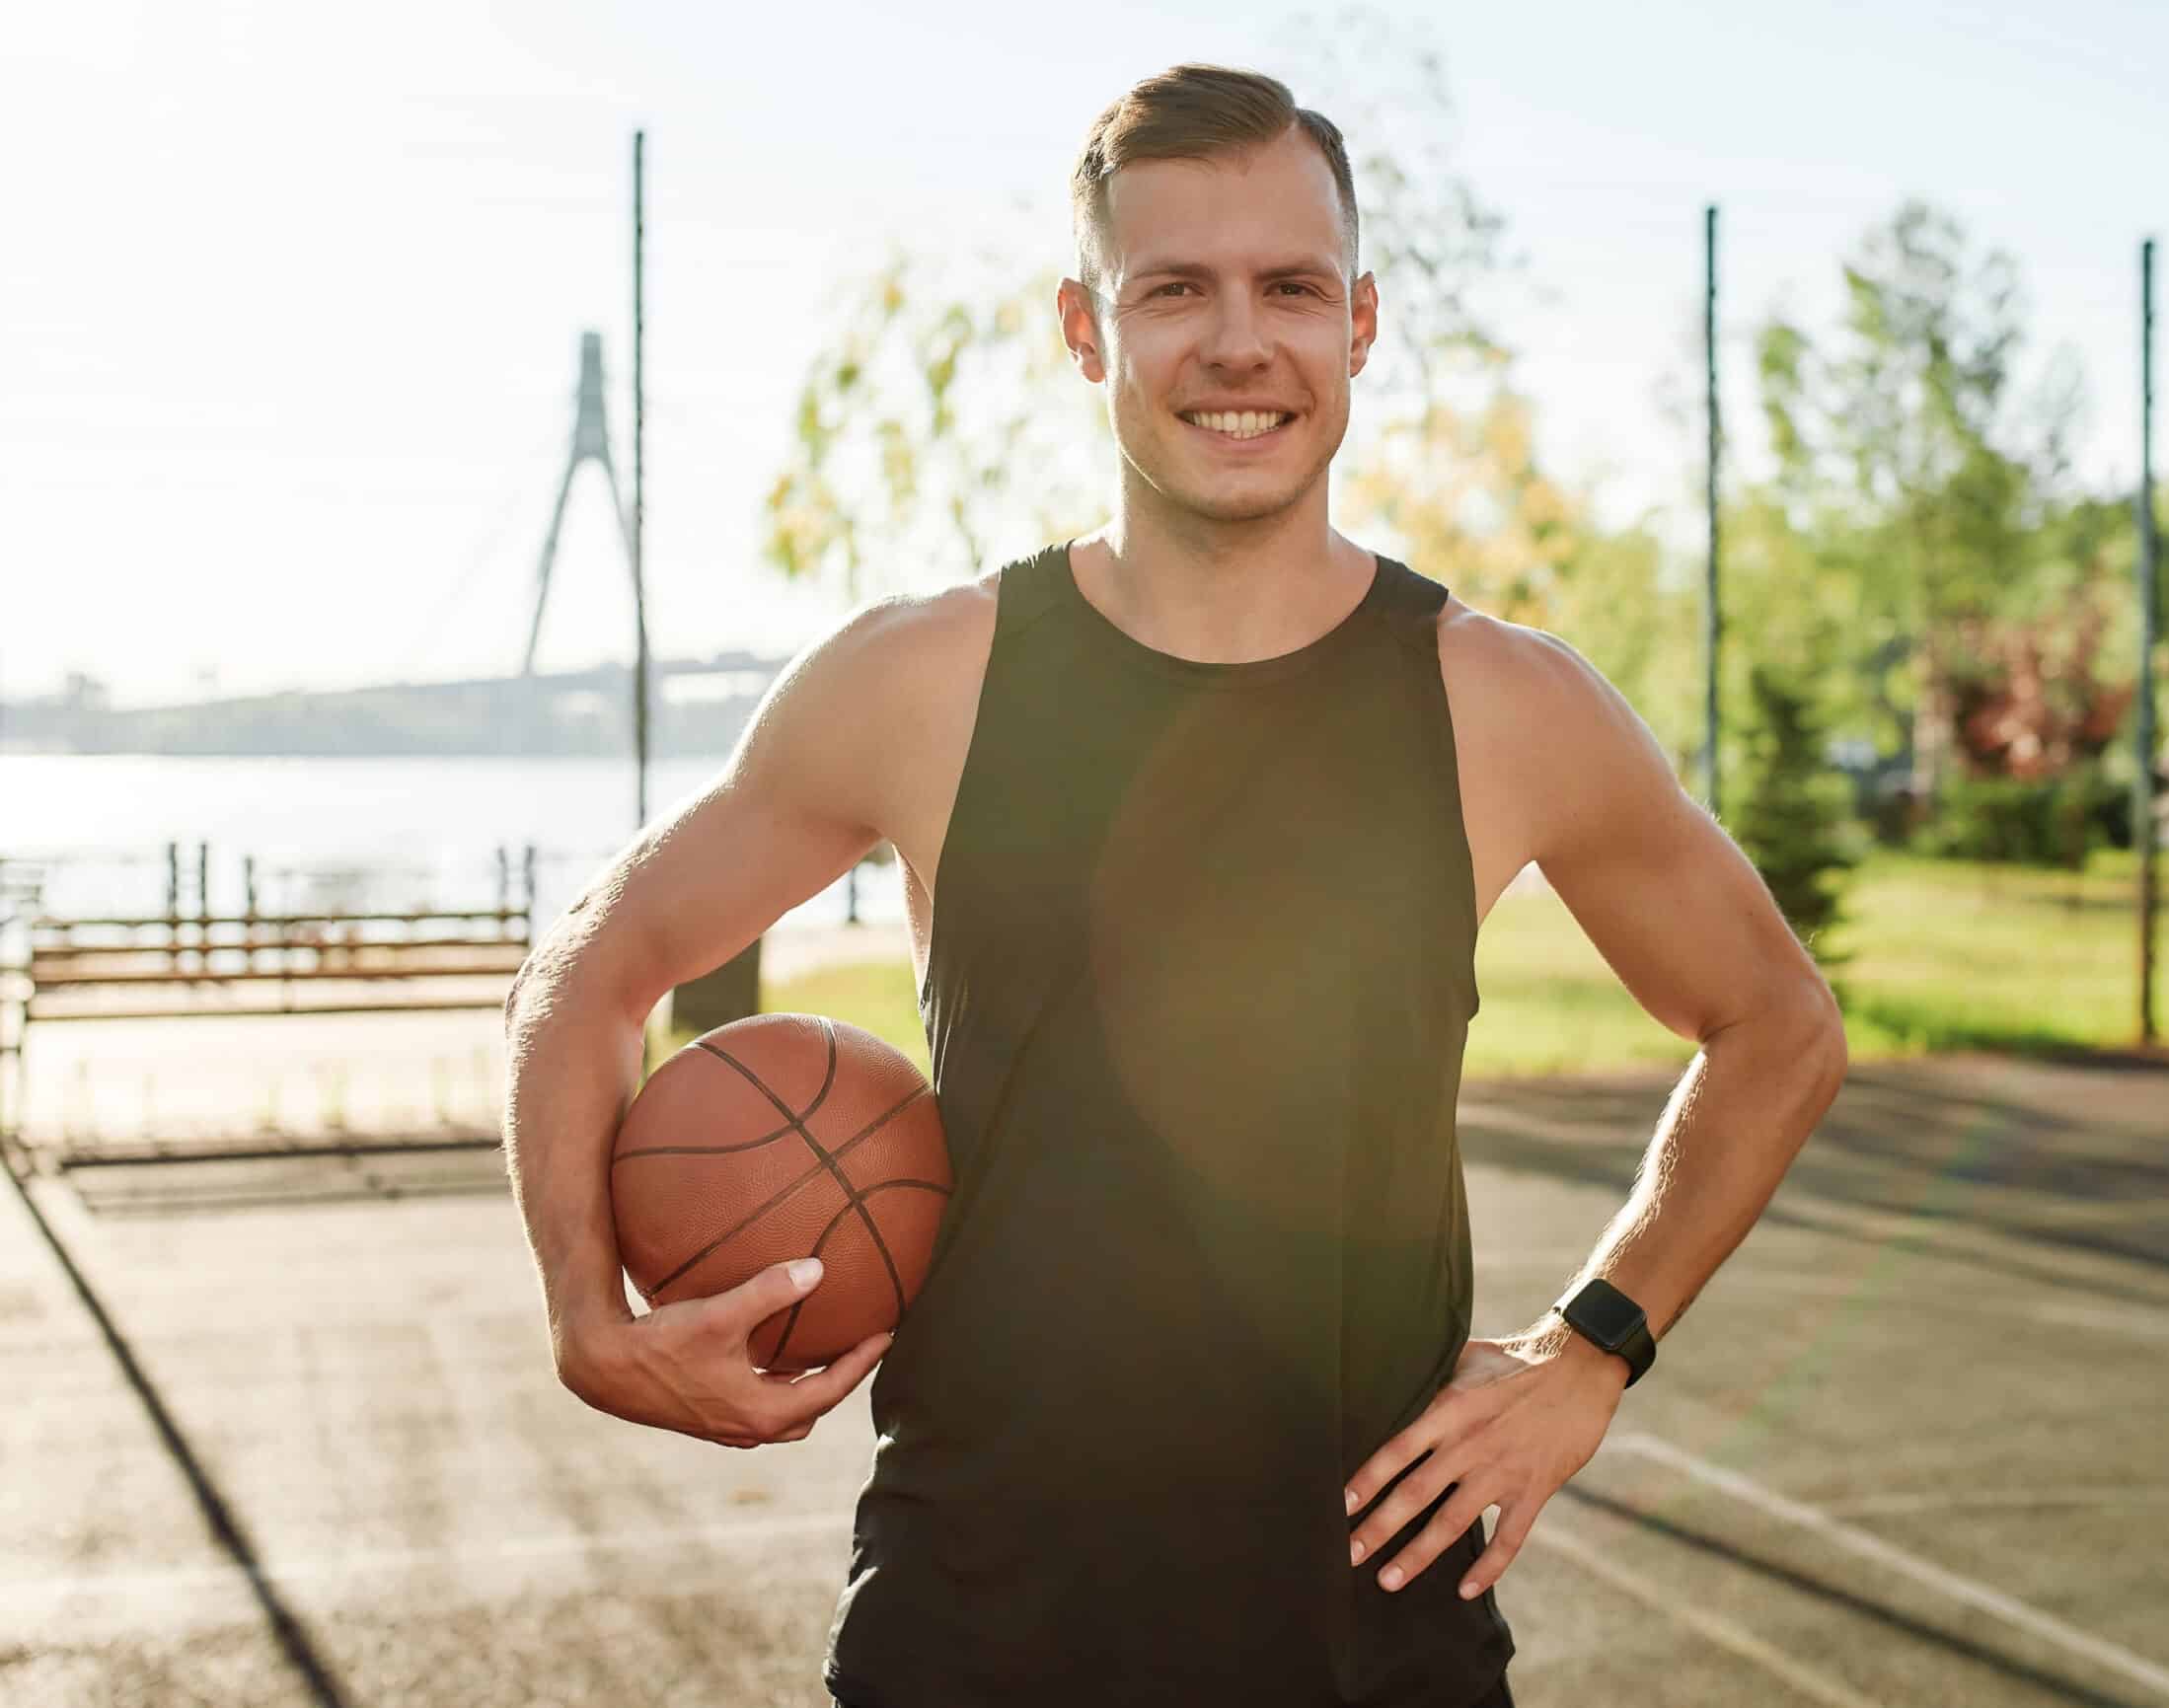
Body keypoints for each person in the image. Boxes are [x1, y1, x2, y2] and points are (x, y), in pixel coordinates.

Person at [501, 61, 1848, 1708]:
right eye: (1174, 291)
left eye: (1290, 287)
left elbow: (1776, 1020)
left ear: (1359, 324)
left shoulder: (1500, 702)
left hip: (1372, 1626)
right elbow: (600, 956)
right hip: (975, 1619)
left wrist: (1590, 1351)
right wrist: (587, 1310)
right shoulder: (926, 683)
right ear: (1086, 331)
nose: (1238, 342)